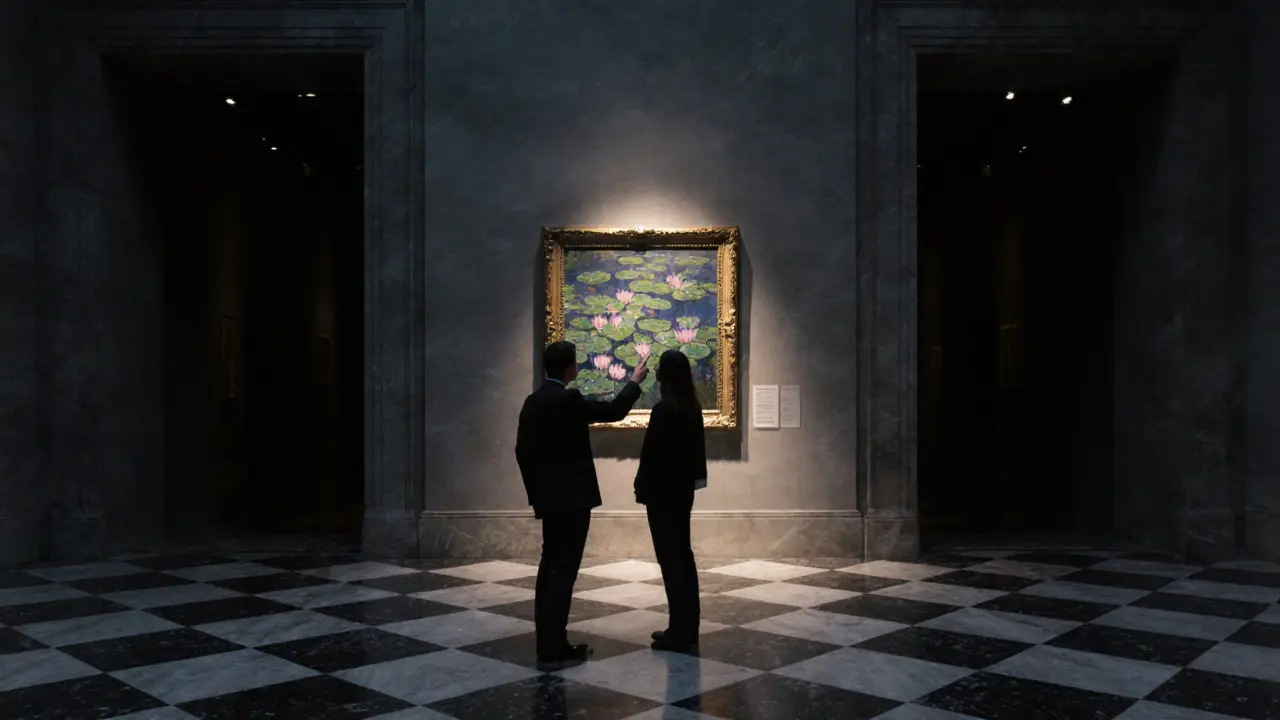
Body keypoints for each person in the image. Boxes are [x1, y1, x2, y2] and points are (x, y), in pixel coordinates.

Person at [515, 340, 648, 667]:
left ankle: (547, 643)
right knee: (564, 571)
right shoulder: (569, 399)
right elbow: (614, 411)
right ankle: (555, 648)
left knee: (549, 568)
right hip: (573, 501)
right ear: (569, 367)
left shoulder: (532, 402)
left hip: (549, 500)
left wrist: (537, 492)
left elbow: (522, 451)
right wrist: (634, 381)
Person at [635, 349, 707, 652]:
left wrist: (641, 487)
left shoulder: (664, 410)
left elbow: (651, 456)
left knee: (670, 561)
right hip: (682, 493)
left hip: (661, 495)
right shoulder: (692, 407)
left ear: (665, 375)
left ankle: (679, 632)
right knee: (683, 558)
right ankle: (686, 628)